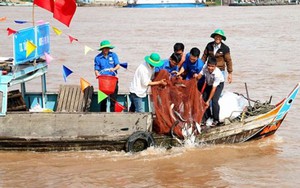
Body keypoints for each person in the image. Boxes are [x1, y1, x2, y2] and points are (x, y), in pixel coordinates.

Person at [94, 40, 121, 112]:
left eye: (107, 48)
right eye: (104, 48)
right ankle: (103, 115)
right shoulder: (97, 58)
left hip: (113, 80)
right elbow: (96, 69)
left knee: (113, 100)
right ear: (102, 49)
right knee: (102, 101)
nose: (106, 49)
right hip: (103, 81)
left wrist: (114, 69)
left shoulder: (113, 55)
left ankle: (113, 115)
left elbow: (118, 65)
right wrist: (97, 74)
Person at [197, 57, 224, 126]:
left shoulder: (217, 74)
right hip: (209, 83)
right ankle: (207, 117)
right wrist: (196, 78)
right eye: (209, 66)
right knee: (203, 99)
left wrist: (208, 100)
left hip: (218, 85)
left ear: (215, 66)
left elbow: (214, 89)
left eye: (212, 66)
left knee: (214, 100)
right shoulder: (205, 67)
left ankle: (216, 120)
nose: (210, 68)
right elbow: (200, 75)